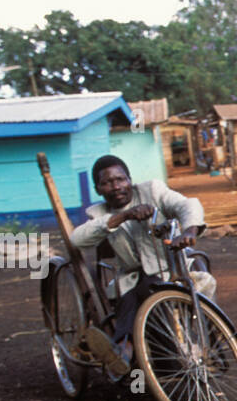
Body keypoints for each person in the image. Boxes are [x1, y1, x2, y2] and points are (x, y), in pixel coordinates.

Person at [69, 154, 207, 377]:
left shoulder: (153, 190)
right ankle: (125, 353)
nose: (116, 187)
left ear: (129, 179)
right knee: (134, 297)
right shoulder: (98, 212)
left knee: (151, 292)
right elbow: (77, 239)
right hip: (131, 278)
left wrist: (189, 230)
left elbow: (187, 205)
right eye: (107, 183)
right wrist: (123, 216)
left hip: (170, 269)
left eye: (120, 179)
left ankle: (125, 349)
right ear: (98, 189)